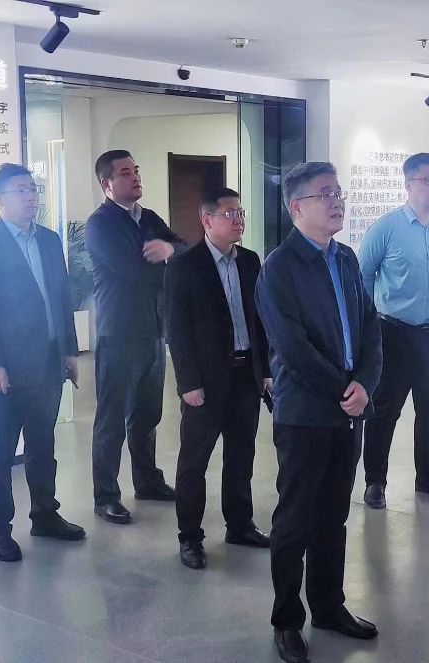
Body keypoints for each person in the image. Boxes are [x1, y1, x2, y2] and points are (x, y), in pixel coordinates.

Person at [256, 162, 383, 663]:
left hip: (348, 410)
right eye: (325, 194)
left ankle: (329, 607)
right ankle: (287, 620)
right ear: (297, 207)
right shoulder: (279, 267)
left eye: (338, 193)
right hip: (305, 413)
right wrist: (344, 388)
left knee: (334, 516)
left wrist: (365, 383)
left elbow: (370, 326)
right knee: (295, 522)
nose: (337, 202)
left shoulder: (345, 258)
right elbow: (292, 347)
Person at [0, 162, 86, 562]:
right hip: (7, 370)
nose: (31, 197)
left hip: (47, 361)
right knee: (0, 450)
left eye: (33, 189)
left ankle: (45, 515)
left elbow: (62, 299)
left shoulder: (48, 240)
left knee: (43, 443)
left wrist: (69, 350)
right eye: (21, 190)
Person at [165, 188, 273, 569]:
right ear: (206, 220)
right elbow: (176, 329)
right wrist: (188, 383)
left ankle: (240, 525)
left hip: (246, 375)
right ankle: (190, 537)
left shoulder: (250, 261)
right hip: (206, 382)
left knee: (241, 455)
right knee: (194, 461)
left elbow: (260, 321)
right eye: (229, 213)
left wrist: (266, 370)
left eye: (240, 212)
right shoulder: (184, 265)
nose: (238, 219)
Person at [357, 152, 429, 509]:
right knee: (384, 409)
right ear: (408, 184)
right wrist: (373, 319)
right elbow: (364, 275)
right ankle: (375, 481)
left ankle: (428, 476)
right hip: (394, 334)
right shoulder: (386, 228)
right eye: (428, 180)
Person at [86, 149, 186, 525]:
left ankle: (147, 482)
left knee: (147, 414)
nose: (135, 177)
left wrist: (169, 249)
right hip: (119, 333)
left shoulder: (150, 217)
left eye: (136, 170)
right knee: (112, 419)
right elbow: (134, 270)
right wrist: (168, 261)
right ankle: (106, 496)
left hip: (153, 332)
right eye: (125, 173)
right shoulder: (100, 225)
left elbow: (185, 250)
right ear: (107, 184)